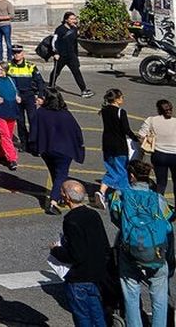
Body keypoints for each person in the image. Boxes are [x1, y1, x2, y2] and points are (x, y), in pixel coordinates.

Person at [110, 158, 172, 327]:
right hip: (156, 250)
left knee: (131, 293)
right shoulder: (159, 199)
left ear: (131, 176)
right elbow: (167, 225)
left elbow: (115, 218)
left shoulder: (120, 196)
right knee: (159, 294)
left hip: (130, 249)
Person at [52, 180, 112, 327]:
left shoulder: (71, 220)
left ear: (66, 197)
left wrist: (56, 251)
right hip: (96, 275)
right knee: (98, 316)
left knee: (83, 318)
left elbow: (75, 254)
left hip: (79, 278)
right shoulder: (93, 215)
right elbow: (104, 245)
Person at [35, 89, 87, 214]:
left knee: (54, 172)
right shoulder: (65, 114)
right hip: (64, 150)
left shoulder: (40, 113)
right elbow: (77, 131)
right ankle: (53, 201)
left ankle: (60, 195)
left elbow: (34, 131)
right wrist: (80, 146)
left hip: (46, 149)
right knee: (61, 174)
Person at [98, 88, 135, 203]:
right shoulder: (120, 112)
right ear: (117, 99)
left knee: (112, 167)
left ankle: (118, 193)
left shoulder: (104, 110)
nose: (123, 99)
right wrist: (136, 138)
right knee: (122, 170)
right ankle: (108, 191)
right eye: (122, 97)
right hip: (119, 145)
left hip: (107, 144)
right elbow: (126, 129)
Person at [138, 99, 176, 196]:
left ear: (158, 110)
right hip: (175, 155)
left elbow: (141, 136)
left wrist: (149, 146)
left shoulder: (151, 120)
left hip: (159, 155)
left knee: (161, 183)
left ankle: (158, 207)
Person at [9, 46, 42, 152]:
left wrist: (40, 96)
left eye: (18, 52)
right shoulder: (8, 66)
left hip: (29, 96)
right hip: (16, 97)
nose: (16, 55)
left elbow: (40, 82)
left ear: (23, 53)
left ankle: (35, 145)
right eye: (14, 53)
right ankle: (24, 143)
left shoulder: (30, 66)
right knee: (20, 122)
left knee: (33, 121)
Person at [51, 11, 90, 97]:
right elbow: (54, 42)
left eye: (75, 19)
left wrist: (76, 55)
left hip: (71, 55)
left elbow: (75, 43)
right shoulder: (60, 29)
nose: (74, 20)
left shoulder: (74, 29)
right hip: (61, 56)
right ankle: (51, 87)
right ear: (66, 20)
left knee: (77, 72)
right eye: (71, 19)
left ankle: (83, 90)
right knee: (56, 72)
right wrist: (56, 53)